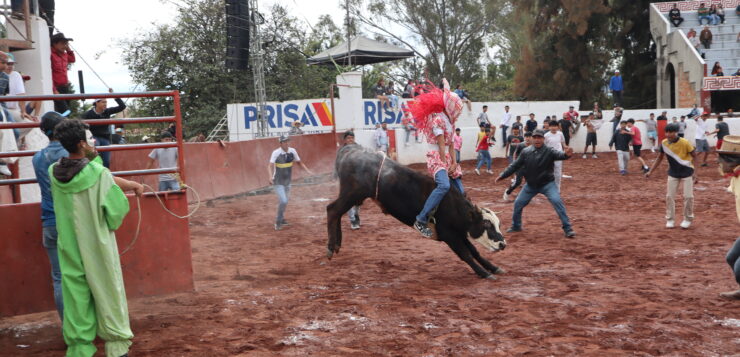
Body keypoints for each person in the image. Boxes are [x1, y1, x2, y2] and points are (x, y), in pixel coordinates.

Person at [49, 118, 143, 357]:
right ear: (81, 143)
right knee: (109, 292)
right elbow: (115, 211)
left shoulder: (53, 172)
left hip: (68, 246)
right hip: (97, 245)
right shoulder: (98, 172)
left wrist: (90, 156)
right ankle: (117, 346)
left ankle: (80, 348)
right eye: (89, 140)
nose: (94, 142)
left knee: (75, 297)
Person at [495, 129, 576, 238]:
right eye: (535, 137)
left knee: (557, 202)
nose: (537, 140)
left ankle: (568, 228)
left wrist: (567, 155)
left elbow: (560, 155)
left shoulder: (549, 151)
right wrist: (503, 175)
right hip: (530, 185)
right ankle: (516, 226)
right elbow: (515, 165)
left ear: (543, 139)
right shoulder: (525, 152)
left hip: (547, 184)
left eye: (539, 137)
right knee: (518, 203)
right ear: (532, 139)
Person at [409, 80, 464, 238]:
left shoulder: (450, 122)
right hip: (436, 158)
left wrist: (454, 163)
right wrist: (447, 165)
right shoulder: (438, 120)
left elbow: (451, 145)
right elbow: (441, 145)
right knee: (444, 186)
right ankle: (421, 219)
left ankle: (452, 220)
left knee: (460, 191)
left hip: (446, 157)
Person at [31, 111, 68, 321]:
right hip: (72, 220)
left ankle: (68, 327)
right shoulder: (73, 153)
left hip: (50, 221)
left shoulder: (37, 158)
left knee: (59, 277)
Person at [646, 123, 697, 229]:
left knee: (688, 196)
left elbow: (695, 156)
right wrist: (651, 171)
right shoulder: (664, 143)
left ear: (676, 132)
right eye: (666, 132)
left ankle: (688, 219)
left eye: (671, 132)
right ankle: (670, 219)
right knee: (669, 197)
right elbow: (659, 158)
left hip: (687, 171)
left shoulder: (685, 142)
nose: (668, 134)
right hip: (673, 172)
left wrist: (696, 173)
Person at [268, 134, 312, 231]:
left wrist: (307, 171)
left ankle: (282, 218)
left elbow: (300, 162)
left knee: (285, 201)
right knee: (283, 201)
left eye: (288, 141)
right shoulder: (276, 152)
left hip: (287, 181)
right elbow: (270, 165)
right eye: (284, 142)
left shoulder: (293, 151)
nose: (287, 143)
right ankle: (278, 222)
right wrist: (270, 177)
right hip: (278, 181)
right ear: (280, 143)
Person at [717, 136, 740, 299]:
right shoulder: (736, 177)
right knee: (731, 258)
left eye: (723, 159)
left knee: (739, 268)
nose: (721, 163)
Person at [82, 88, 126, 168]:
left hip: (105, 138)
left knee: (106, 161)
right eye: (103, 102)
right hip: (94, 137)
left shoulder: (107, 111)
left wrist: (114, 95)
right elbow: (80, 124)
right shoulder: (88, 114)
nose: (105, 104)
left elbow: (122, 106)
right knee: (96, 153)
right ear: (97, 103)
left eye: (106, 102)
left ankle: (105, 176)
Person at [4, 53, 36, 144]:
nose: (10, 66)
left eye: (12, 64)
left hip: (13, 110)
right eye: (7, 63)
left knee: (29, 124)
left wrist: (23, 111)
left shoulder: (16, 75)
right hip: (3, 110)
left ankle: (9, 142)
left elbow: (21, 94)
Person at [50, 33, 76, 113]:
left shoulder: (65, 55)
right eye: (62, 43)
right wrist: (54, 90)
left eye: (66, 44)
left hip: (65, 87)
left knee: (66, 111)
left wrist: (68, 48)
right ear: (54, 44)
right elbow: (49, 74)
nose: (64, 46)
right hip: (57, 88)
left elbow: (72, 59)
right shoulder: (51, 55)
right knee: (65, 111)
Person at [503, 131, 532, 201]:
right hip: (520, 166)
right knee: (517, 182)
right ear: (524, 137)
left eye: (529, 137)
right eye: (526, 137)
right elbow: (515, 154)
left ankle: (526, 196)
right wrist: (515, 163)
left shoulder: (534, 146)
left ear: (532, 138)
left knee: (530, 182)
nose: (528, 138)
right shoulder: (521, 145)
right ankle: (508, 192)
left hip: (529, 167)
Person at [342, 131, 362, 230]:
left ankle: (356, 214)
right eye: (348, 138)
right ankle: (353, 219)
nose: (350, 140)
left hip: (359, 177)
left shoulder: (359, 148)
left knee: (359, 200)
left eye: (352, 138)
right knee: (348, 199)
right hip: (346, 178)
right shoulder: (342, 151)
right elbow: (338, 163)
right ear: (345, 140)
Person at [545, 120, 567, 191]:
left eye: (555, 126)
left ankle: (557, 189)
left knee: (557, 172)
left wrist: (566, 149)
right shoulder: (546, 135)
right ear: (549, 127)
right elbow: (544, 147)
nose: (553, 128)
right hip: (549, 156)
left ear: (557, 127)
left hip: (558, 155)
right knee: (549, 172)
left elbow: (563, 143)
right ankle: (549, 188)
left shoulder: (560, 134)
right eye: (551, 126)